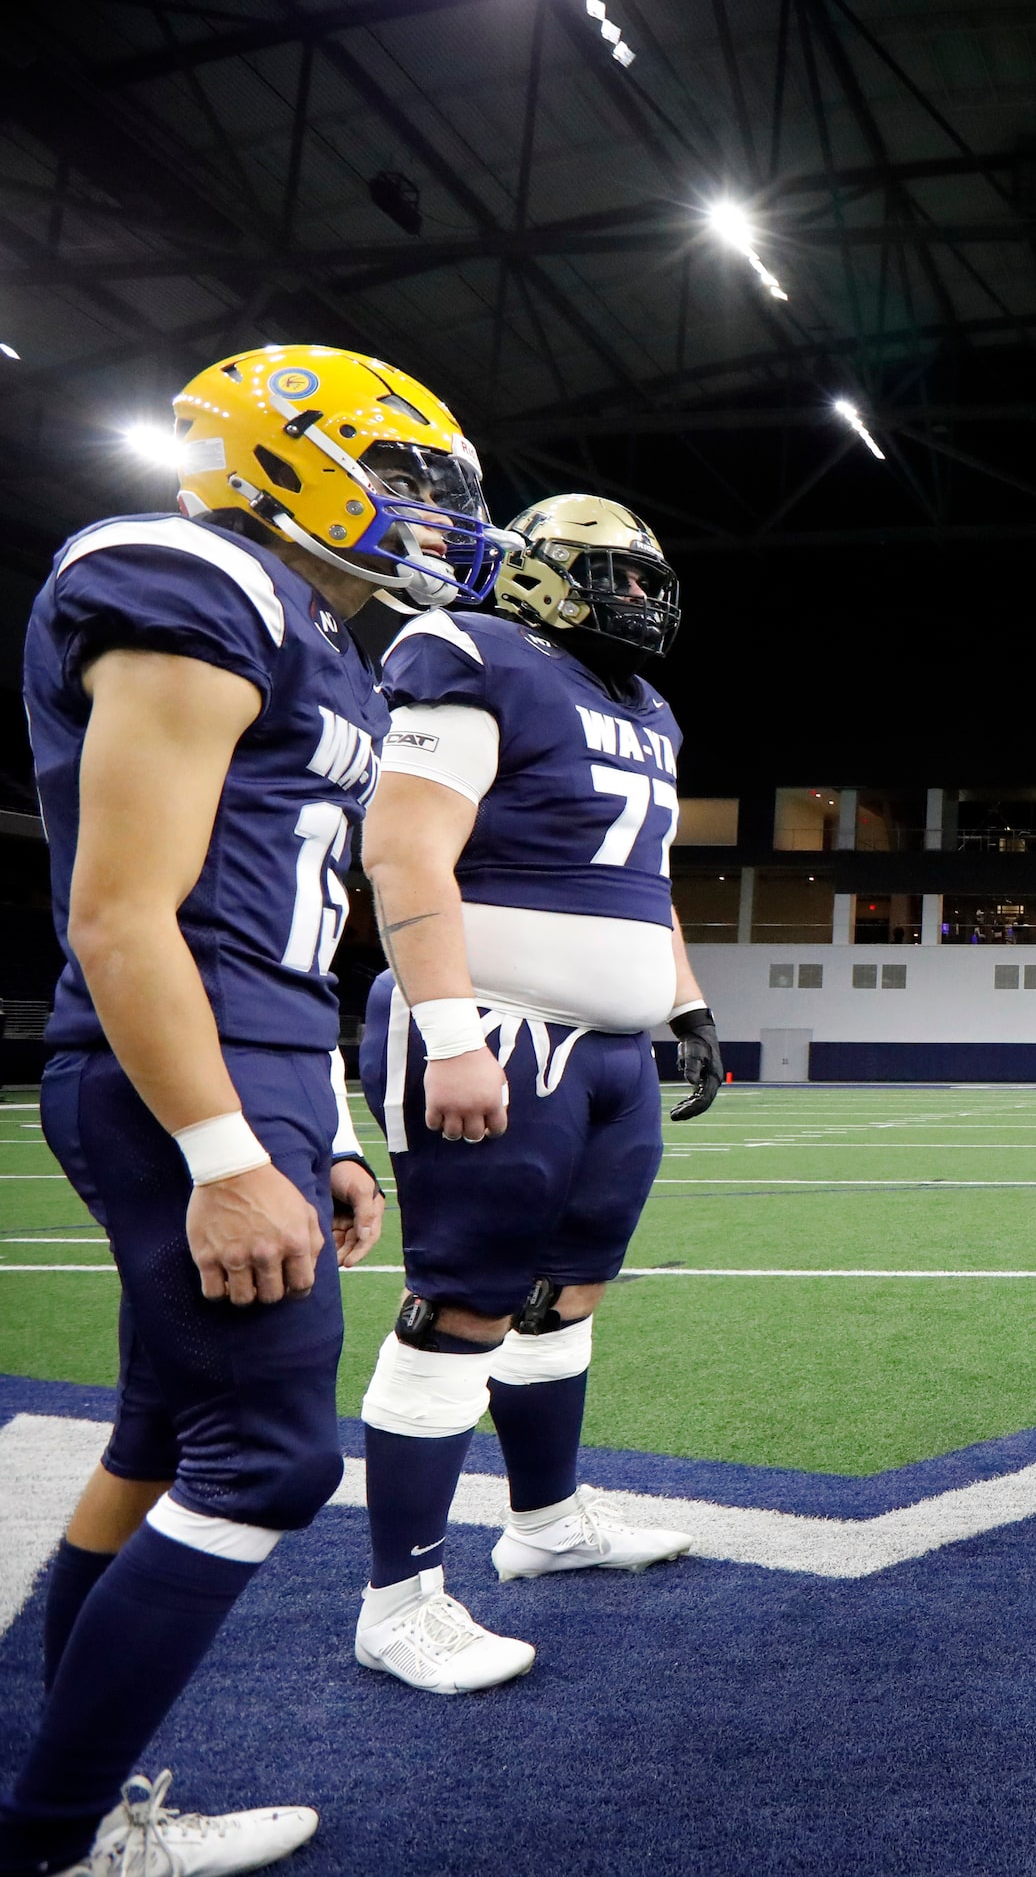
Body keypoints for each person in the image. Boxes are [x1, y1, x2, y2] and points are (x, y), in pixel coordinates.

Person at [4, 343, 510, 1877]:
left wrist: (331, 1128)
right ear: (279, 457)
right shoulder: (187, 577)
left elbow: (282, 914)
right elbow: (123, 911)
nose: (429, 518)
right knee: (268, 1454)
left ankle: (64, 1770)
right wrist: (226, 1151)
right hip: (184, 1061)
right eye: (403, 479)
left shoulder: (326, 641)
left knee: (166, 1429)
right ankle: (54, 1835)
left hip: (264, 1048)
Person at [349, 494, 716, 1693]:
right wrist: (449, 1029)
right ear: (540, 572)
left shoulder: (645, 705)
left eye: (647, 578)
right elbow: (403, 847)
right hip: (498, 1029)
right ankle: (399, 1598)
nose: (639, 598)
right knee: (465, 1303)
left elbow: (643, 878)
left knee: (570, 1295)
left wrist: (684, 1002)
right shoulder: (473, 651)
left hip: (610, 1051)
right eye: (612, 574)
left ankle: (545, 1524)